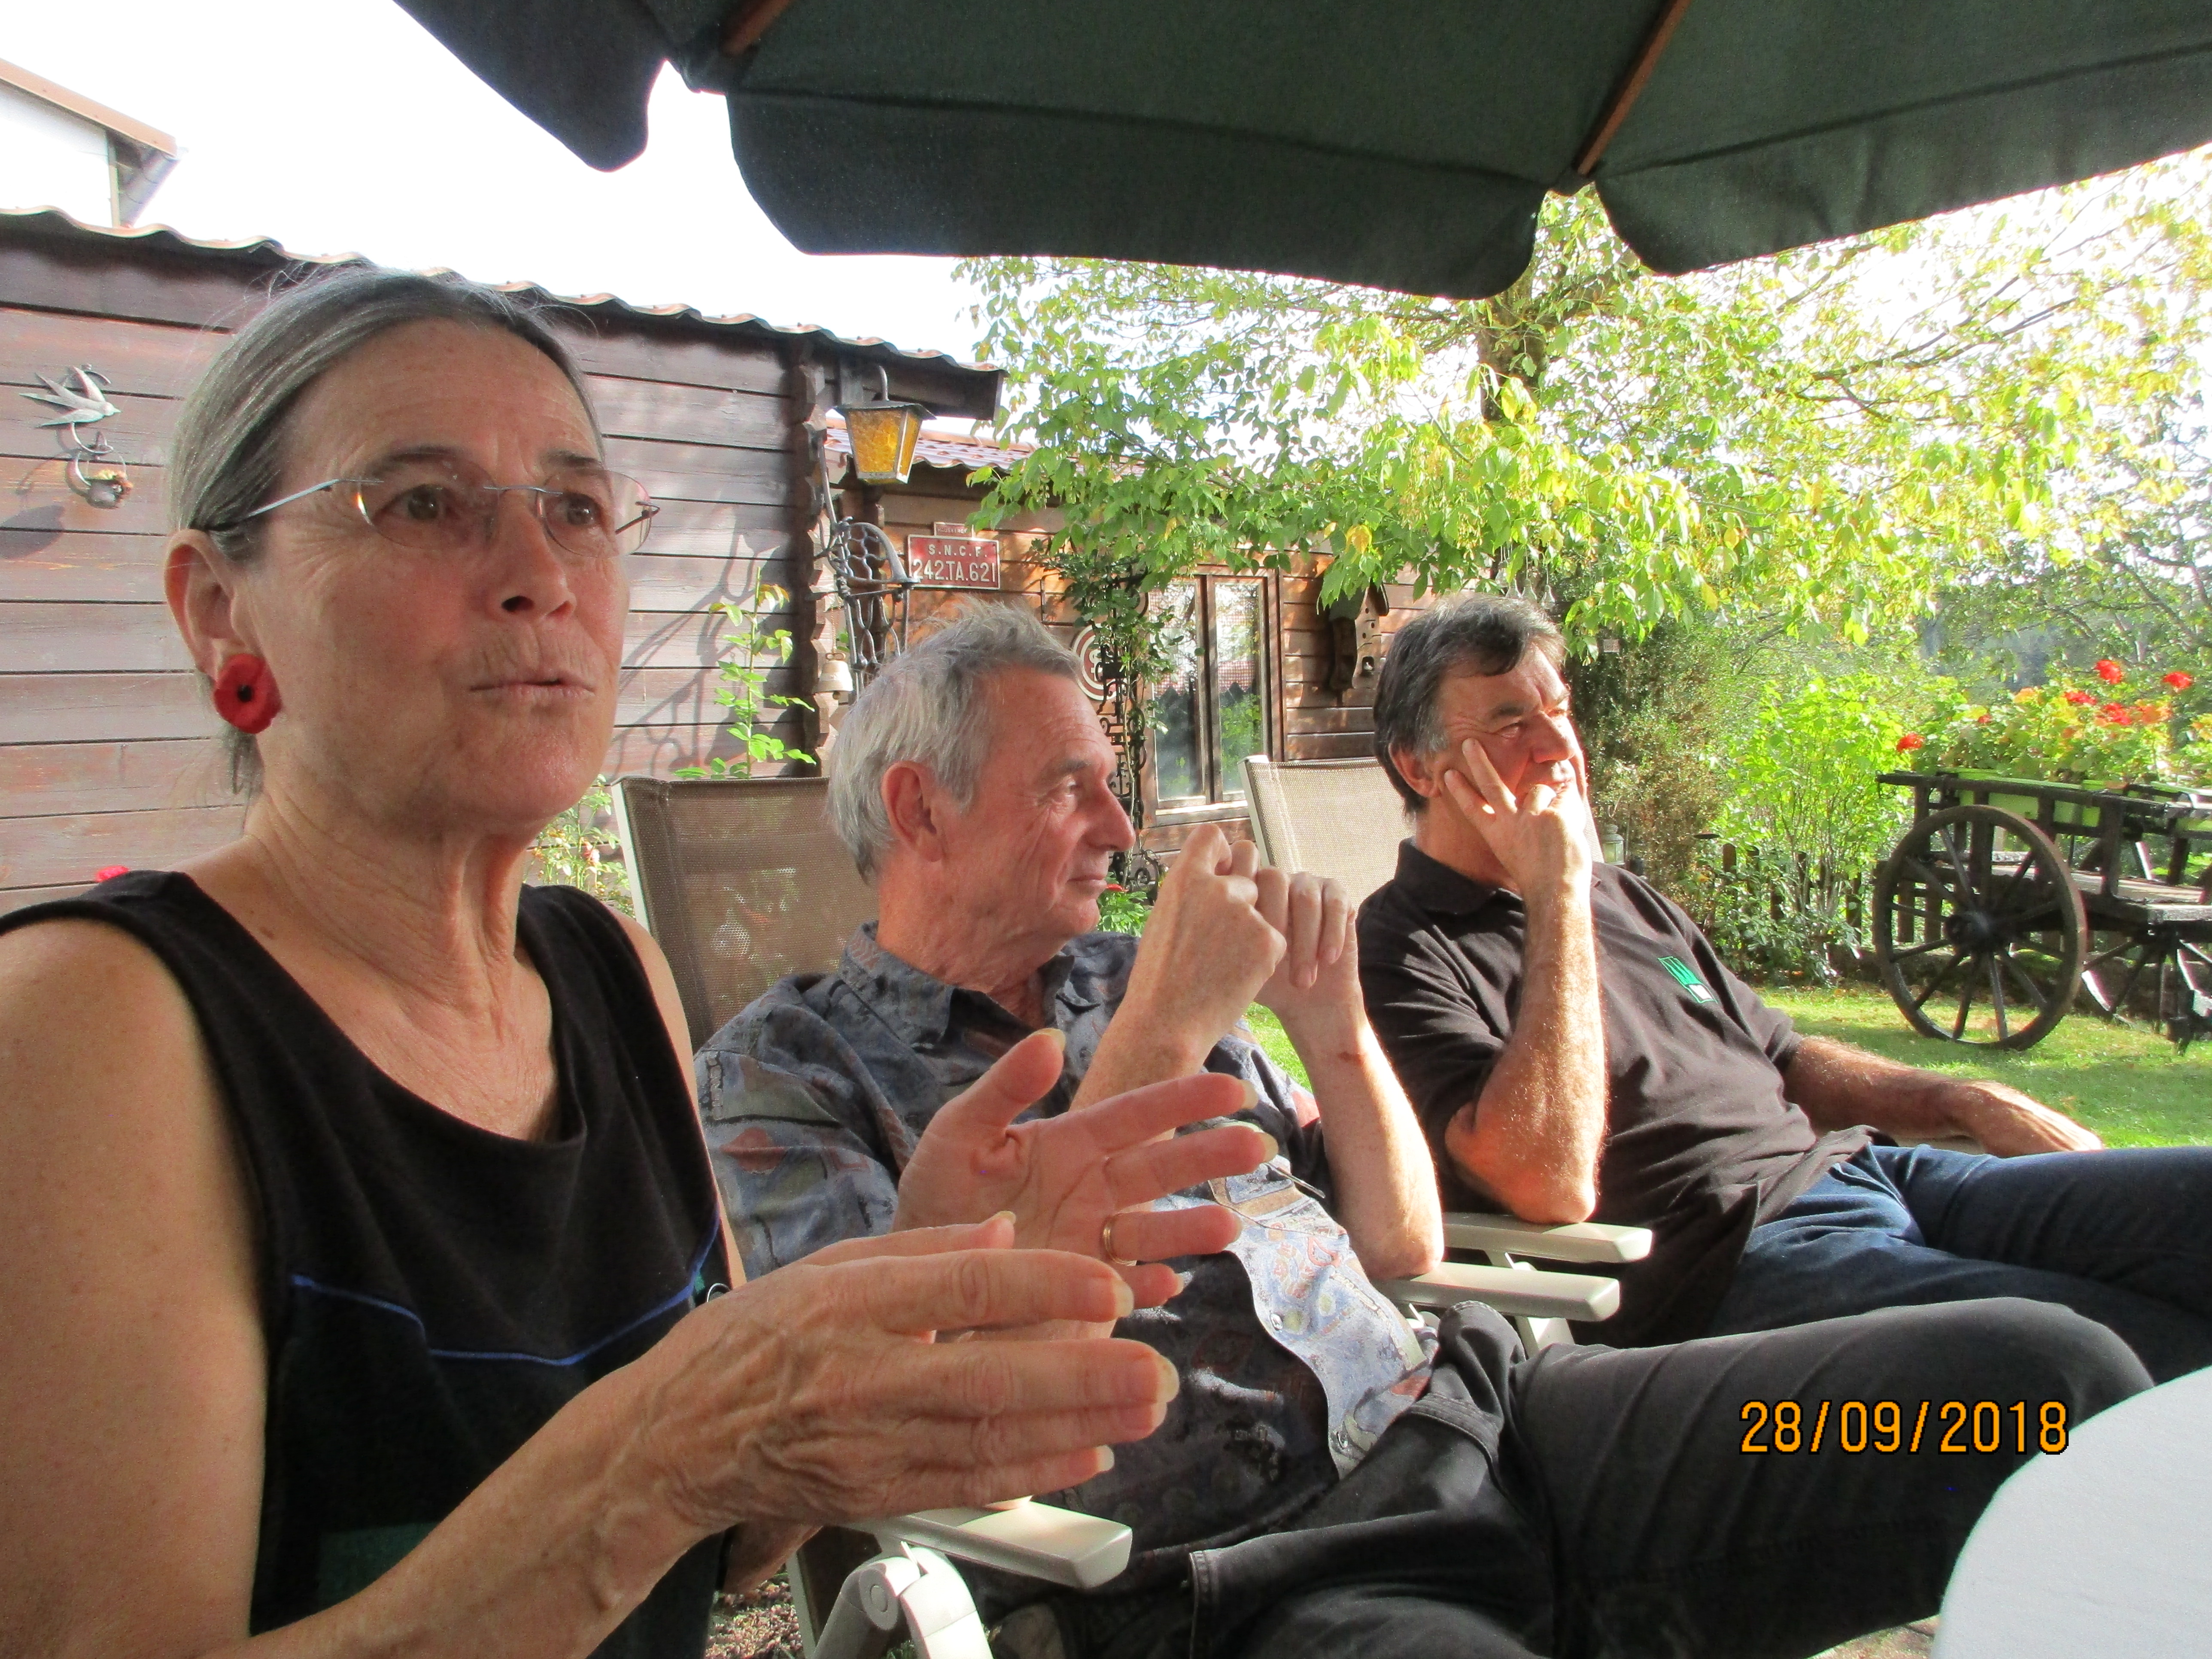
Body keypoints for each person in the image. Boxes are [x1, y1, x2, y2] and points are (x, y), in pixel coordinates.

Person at [0, 269, 1265, 1659]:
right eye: (420, 503)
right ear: (220, 610)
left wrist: (917, 1298)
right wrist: (655, 1453)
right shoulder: (98, 1026)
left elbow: (732, 1539)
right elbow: (670, 1466)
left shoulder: (610, 974)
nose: (539, 574)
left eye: (577, 508)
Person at [701, 605, 2148, 1659]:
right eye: (1070, 785)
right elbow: (889, 1412)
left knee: (2044, 1390)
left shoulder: (1134, 976)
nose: (1122, 823)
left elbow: (1397, 1241)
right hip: (1256, 1571)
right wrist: (1159, 1032)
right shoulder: (793, 1073)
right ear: (921, 811)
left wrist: (1331, 1025)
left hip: (1508, 1426)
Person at [1356, 592, 2212, 1372]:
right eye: (1510, 722)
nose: (1558, 748)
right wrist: (1555, 897)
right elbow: (1545, 1183)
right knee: (2099, 1349)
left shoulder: (1621, 894)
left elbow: (1785, 1057)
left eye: (1559, 710)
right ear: (1418, 766)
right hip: (1734, 1263)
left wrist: (1964, 1100)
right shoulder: (1402, 948)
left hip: (1872, 1175)